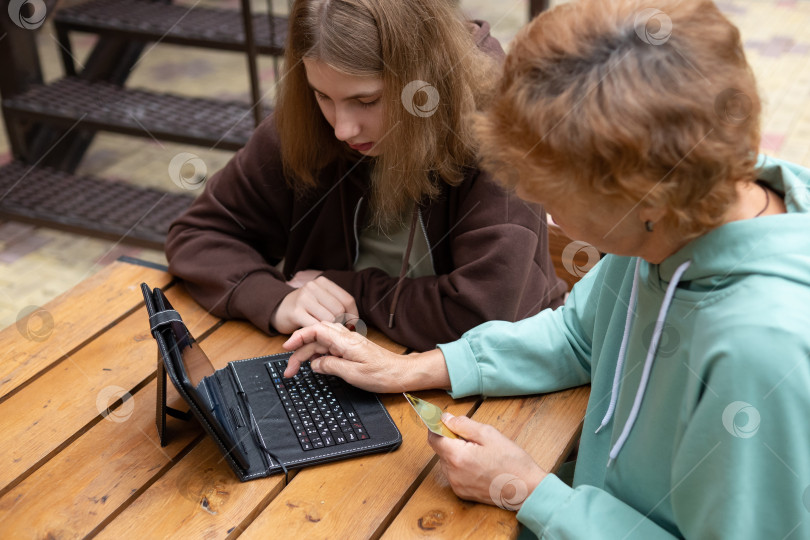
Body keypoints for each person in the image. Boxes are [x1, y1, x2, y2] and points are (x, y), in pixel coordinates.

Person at [280, 0, 810, 537]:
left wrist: (530, 491)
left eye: (552, 187)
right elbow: (579, 336)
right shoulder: (677, 221)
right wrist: (412, 368)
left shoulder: (762, 353)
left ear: (643, 197)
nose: (531, 196)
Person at [164, 0, 567, 351]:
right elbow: (199, 235)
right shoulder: (308, 124)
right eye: (323, 96)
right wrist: (274, 299)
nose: (342, 129)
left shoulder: (500, 131)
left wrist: (345, 289)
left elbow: (483, 315)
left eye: (366, 100)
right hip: (341, 357)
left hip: (496, 374)